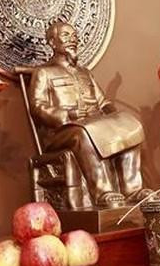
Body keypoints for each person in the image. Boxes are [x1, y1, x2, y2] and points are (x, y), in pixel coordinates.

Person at [29, 21, 149, 208]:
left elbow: (103, 102)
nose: (73, 39)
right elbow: (37, 106)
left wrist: (114, 116)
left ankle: (132, 190)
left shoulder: (86, 73)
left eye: (74, 35)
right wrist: (67, 114)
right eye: (66, 35)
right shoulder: (43, 72)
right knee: (83, 134)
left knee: (129, 126)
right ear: (53, 42)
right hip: (63, 132)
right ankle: (103, 192)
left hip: (95, 125)